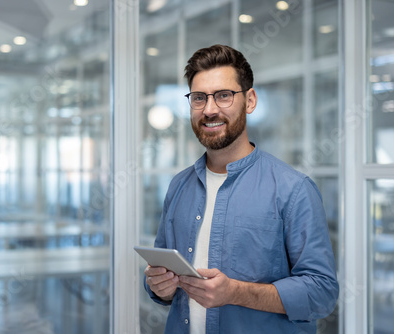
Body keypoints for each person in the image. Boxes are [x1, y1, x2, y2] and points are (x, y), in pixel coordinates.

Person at [143, 44, 339, 334]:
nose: (209, 110)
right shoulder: (178, 186)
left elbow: (322, 293)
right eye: (199, 98)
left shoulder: (293, 190)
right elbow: (163, 279)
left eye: (223, 96)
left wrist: (235, 292)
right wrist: (159, 287)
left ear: (249, 100)